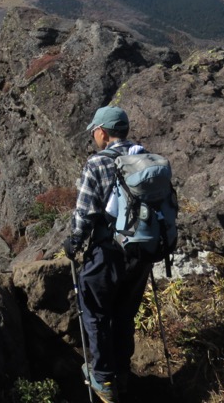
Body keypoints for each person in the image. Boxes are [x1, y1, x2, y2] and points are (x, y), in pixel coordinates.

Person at [64, 106, 153, 403]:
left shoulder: (98, 164)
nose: (93, 135)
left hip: (108, 252)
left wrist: (74, 243)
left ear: (102, 132)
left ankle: (103, 380)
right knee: (124, 315)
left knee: (95, 312)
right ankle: (123, 374)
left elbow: (85, 212)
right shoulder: (147, 160)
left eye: (94, 131)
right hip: (142, 253)